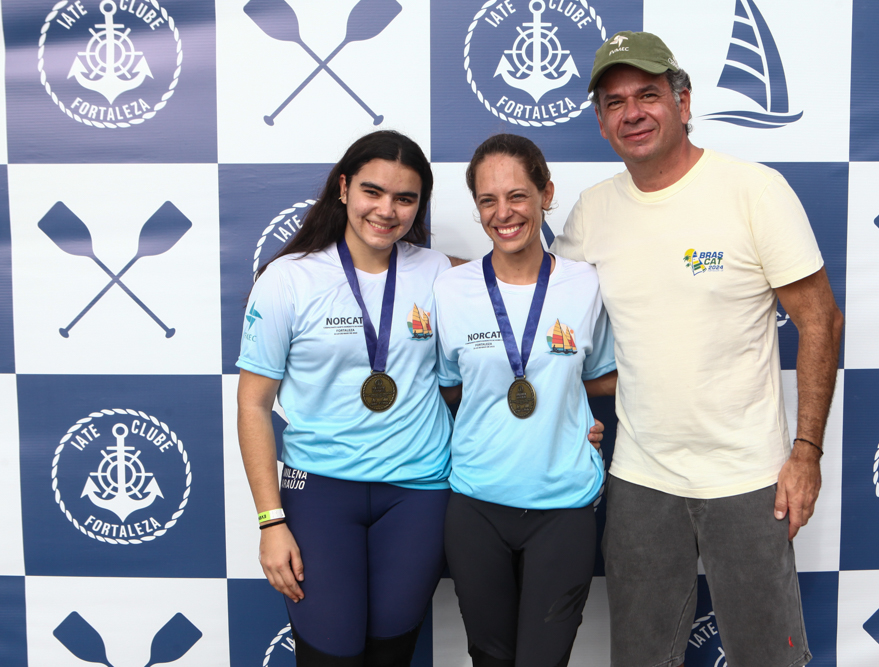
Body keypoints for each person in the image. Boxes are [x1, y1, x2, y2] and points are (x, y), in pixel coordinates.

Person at [551, 32, 844, 667]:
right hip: (640, 479)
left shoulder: (753, 191)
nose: (633, 111)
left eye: (648, 94)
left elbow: (819, 320)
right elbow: (541, 318)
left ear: (684, 103)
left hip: (749, 477)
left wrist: (806, 452)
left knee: (771, 656)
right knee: (640, 657)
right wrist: (446, 277)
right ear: (601, 123)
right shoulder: (592, 211)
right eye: (615, 101)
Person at [236, 130, 455, 667]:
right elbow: (253, 405)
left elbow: (482, 372)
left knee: (390, 654)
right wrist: (270, 521)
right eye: (372, 192)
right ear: (343, 188)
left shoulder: (439, 272)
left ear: (420, 205)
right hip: (320, 494)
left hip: (419, 495)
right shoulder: (288, 279)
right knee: (331, 655)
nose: (387, 210)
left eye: (405, 198)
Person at [434, 134, 618, 667]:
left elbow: (601, 377)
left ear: (546, 194)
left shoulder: (585, 285)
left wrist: (565, 407)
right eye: (488, 201)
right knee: (489, 659)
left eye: (517, 195)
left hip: (562, 504)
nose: (503, 213)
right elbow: (450, 386)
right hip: (475, 501)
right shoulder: (452, 289)